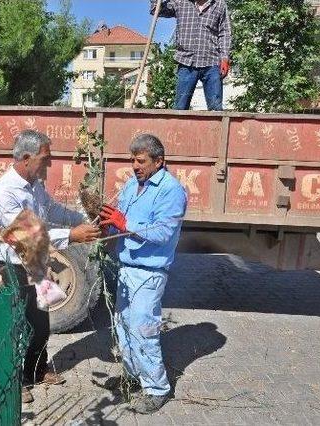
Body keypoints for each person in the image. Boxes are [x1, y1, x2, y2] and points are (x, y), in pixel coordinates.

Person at [0, 130, 100, 404]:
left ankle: (35, 370)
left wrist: (87, 218)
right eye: (44, 159)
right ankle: (13, 382)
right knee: (13, 326)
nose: (49, 165)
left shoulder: (34, 184)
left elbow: (53, 211)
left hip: (36, 263)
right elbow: (29, 234)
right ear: (26, 158)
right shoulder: (4, 192)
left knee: (41, 325)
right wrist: (73, 236)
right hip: (10, 266)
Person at [99, 134, 187, 414]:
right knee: (123, 324)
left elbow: (164, 232)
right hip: (126, 269)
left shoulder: (171, 190)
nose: (135, 165)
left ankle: (157, 388)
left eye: (141, 161)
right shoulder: (131, 185)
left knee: (143, 328)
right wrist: (106, 225)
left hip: (149, 273)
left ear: (158, 161)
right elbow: (118, 221)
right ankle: (133, 375)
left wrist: (125, 222)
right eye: (132, 160)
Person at [151, 0, 232, 110]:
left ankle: (216, 127)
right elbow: (157, 10)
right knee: (180, 107)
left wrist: (225, 57)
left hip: (212, 63)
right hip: (186, 62)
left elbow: (224, 33)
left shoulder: (219, 4)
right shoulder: (180, 2)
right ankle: (178, 127)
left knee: (215, 110)